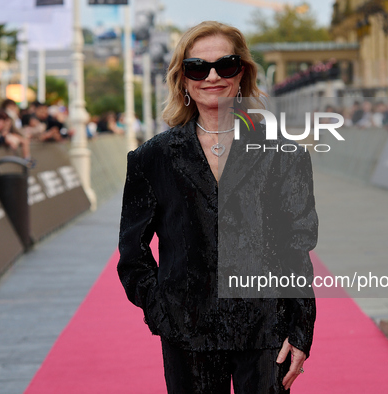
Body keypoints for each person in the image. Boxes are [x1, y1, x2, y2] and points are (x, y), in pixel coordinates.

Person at [117, 21, 317, 394]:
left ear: (242, 72)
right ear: (183, 78)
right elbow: (133, 253)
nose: (212, 77)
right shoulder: (152, 158)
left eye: (225, 65)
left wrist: (300, 329)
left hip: (266, 330)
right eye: (197, 67)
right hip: (187, 333)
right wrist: (163, 313)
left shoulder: (283, 152)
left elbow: (297, 246)